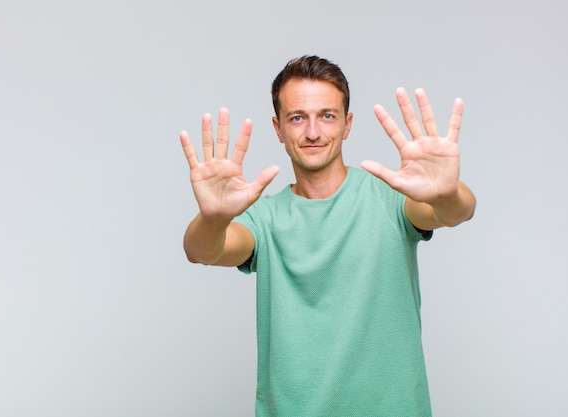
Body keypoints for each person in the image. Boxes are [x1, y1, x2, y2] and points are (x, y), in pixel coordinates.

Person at [179, 55, 476, 417]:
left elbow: (453, 212)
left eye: (327, 116)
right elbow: (203, 250)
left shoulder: (389, 197)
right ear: (279, 129)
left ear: (347, 124)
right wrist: (212, 217)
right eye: (298, 118)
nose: (313, 132)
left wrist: (446, 193)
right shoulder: (265, 218)